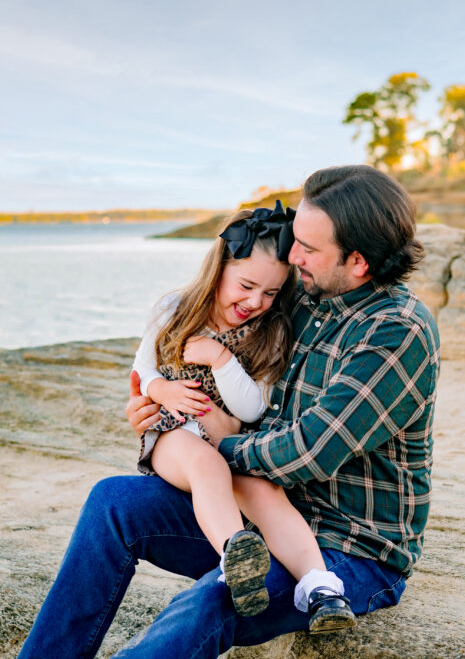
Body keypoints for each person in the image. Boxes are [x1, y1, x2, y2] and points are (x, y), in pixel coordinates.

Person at [0, 164, 440, 659]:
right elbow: (199, 339)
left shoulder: (396, 330)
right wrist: (154, 407)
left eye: (308, 248)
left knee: (214, 598)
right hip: (265, 510)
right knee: (115, 502)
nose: (292, 256)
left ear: (356, 261)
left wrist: (199, 444)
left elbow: (304, 454)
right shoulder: (305, 299)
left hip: (350, 548)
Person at [131, 201, 354, 629]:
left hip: (235, 441)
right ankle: (238, 555)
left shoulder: (269, 334)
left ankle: (321, 587)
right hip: (173, 434)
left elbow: (253, 407)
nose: (255, 301)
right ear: (219, 270)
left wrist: (221, 361)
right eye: (246, 285)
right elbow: (142, 368)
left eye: (270, 293)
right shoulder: (173, 309)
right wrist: (161, 389)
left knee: (266, 492)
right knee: (205, 465)